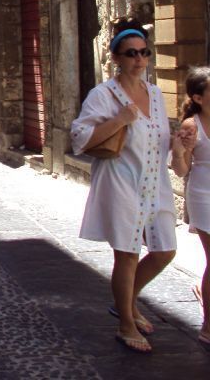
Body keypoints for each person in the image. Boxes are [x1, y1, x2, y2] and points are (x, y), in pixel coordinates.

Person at [70, 18, 179, 354]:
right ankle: (126, 324)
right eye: (131, 54)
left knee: (164, 250)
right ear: (116, 58)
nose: (139, 60)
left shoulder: (157, 94)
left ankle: (126, 300)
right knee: (128, 255)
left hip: (154, 182)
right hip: (120, 181)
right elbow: (80, 138)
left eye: (145, 53)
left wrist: (179, 141)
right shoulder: (103, 95)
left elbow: (157, 138)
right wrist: (119, 119)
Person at [170, 67, 210, 348]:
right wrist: (181, 150)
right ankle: (208, 326)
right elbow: (181, 169)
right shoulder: (191, 126)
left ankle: (201, 289)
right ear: (198, 97)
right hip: (204, 194)